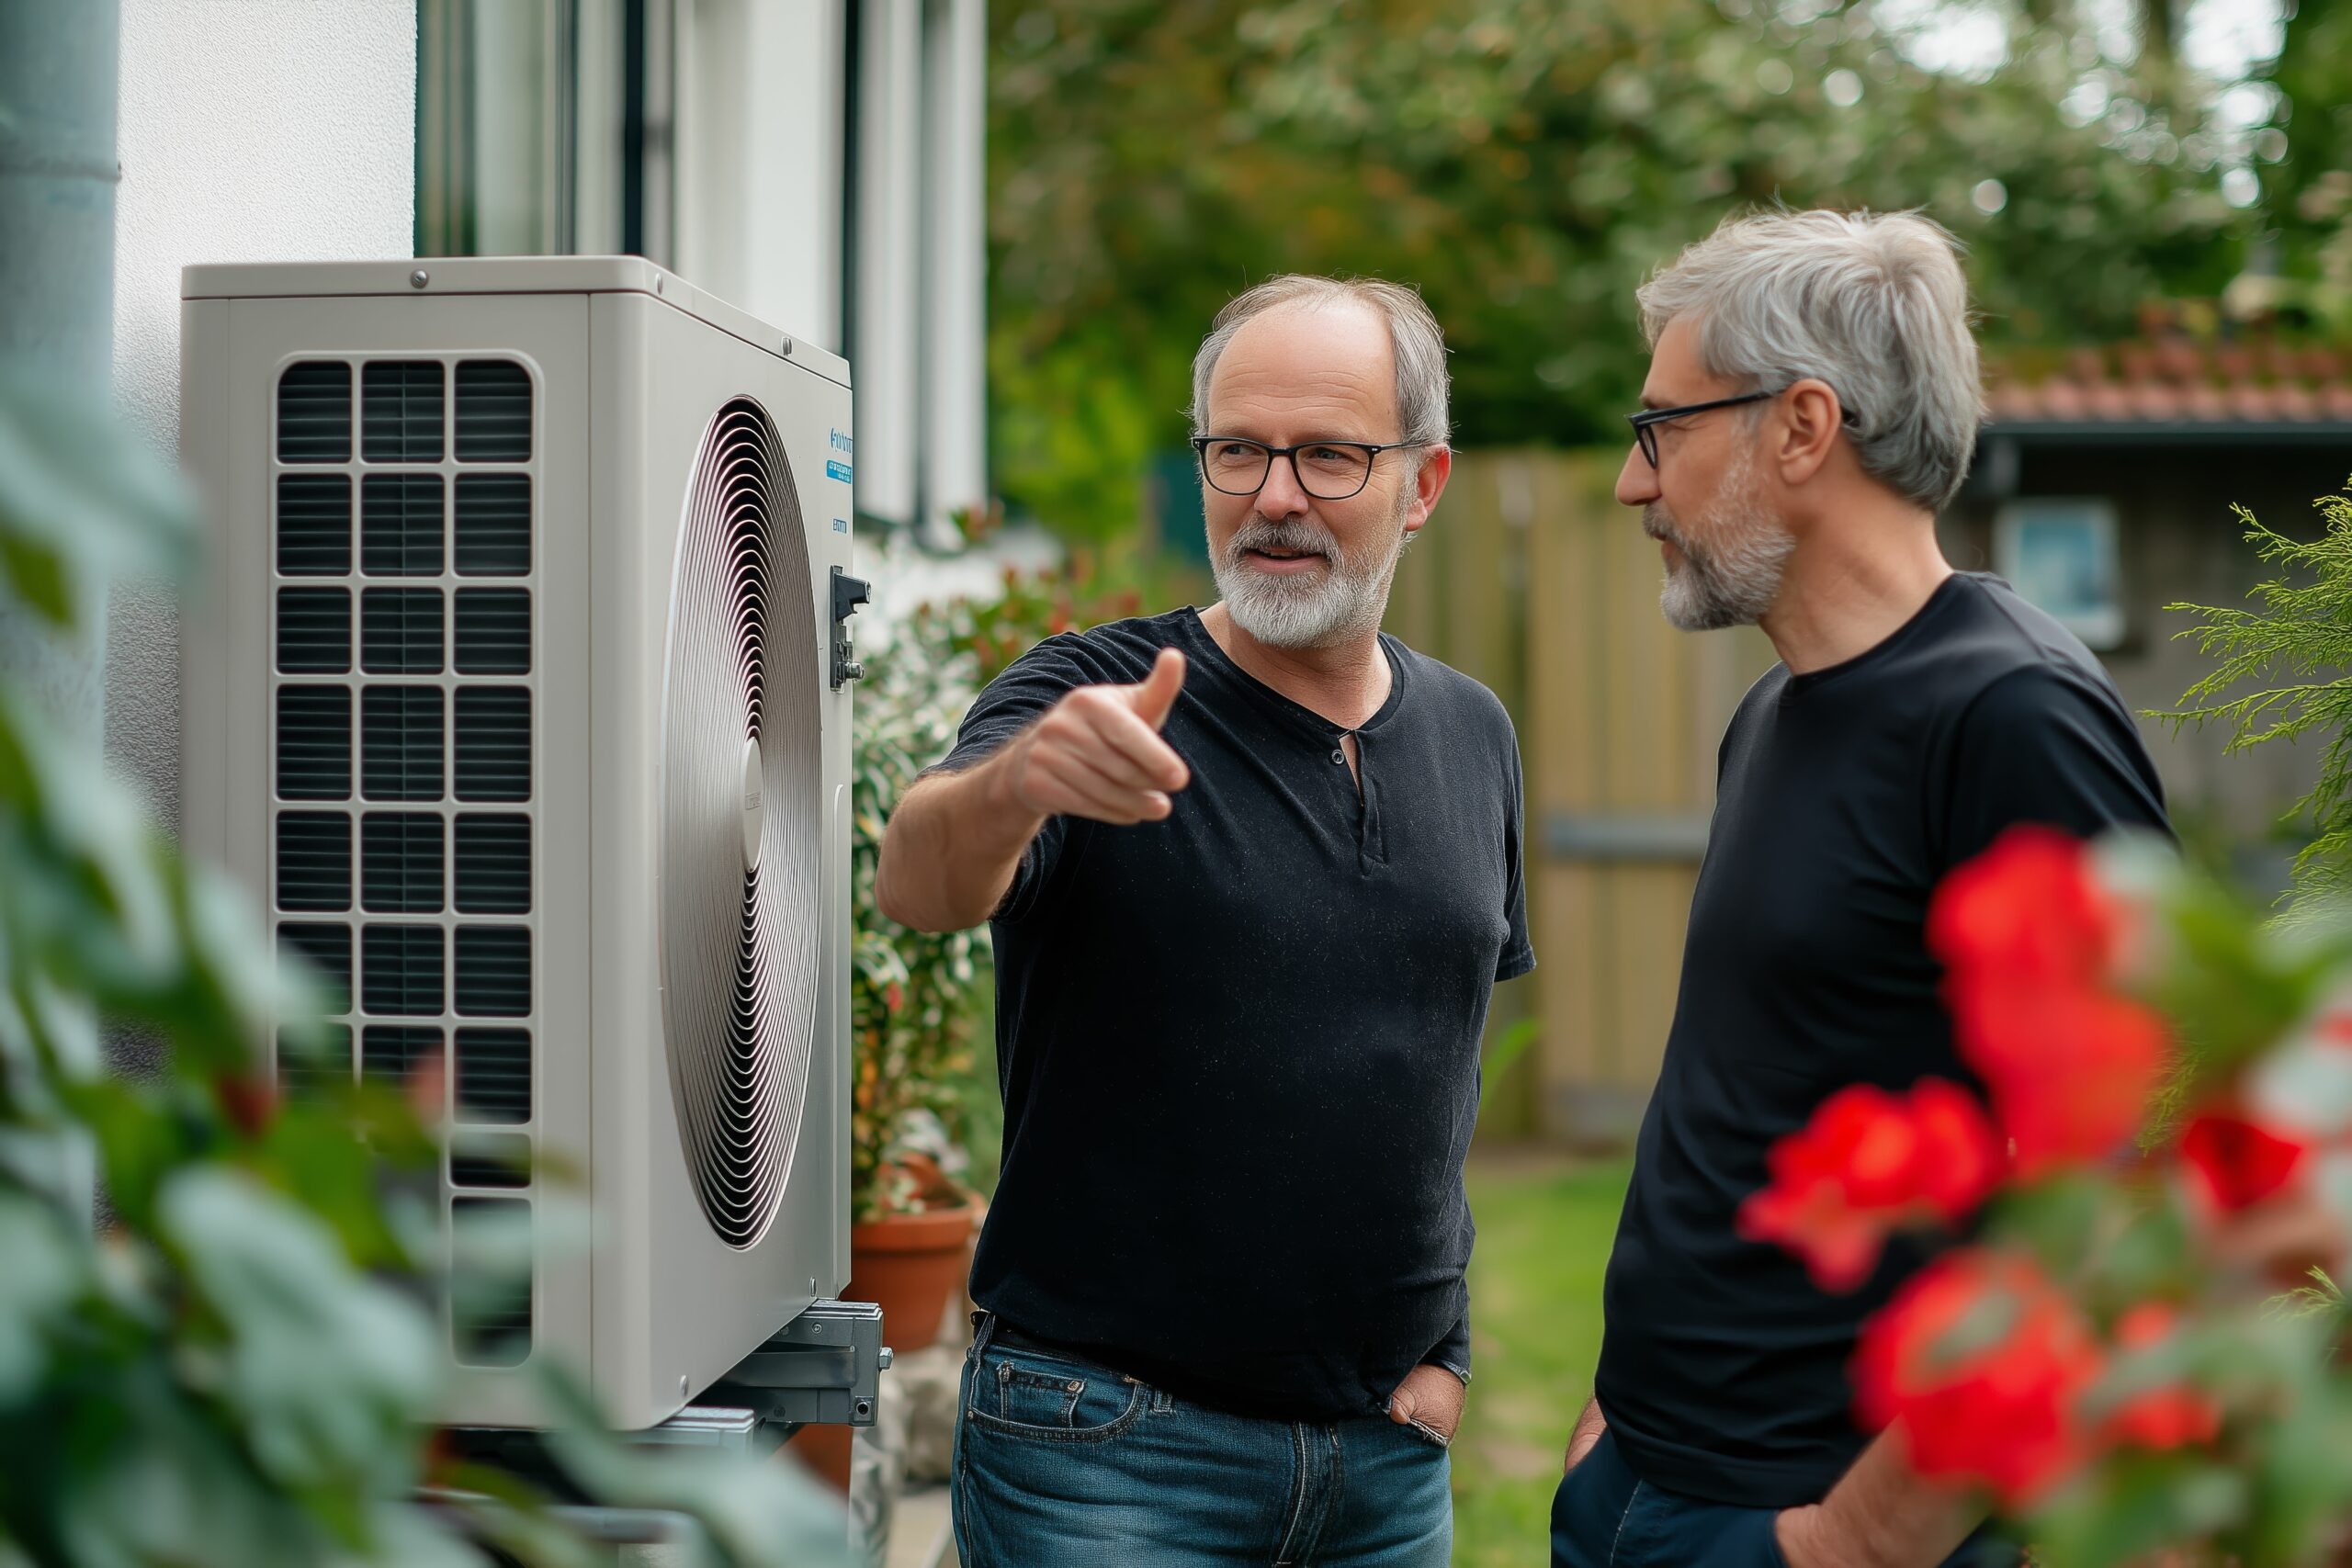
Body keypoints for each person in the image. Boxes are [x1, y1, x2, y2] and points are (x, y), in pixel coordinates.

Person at [876, 275, 1533, 1568]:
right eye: (1238, 449)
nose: (1274, 494)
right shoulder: (1090, 695)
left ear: (1425, 482)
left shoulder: (1472, 732)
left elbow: (1433, 1061)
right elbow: (921, 882)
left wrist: (1444, 1351)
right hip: (1109, 1457)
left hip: (1384, 1470)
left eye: (1330, 455)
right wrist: (1017, 784)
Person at [1552, 209, 2171, 1568]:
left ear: (1800, 426)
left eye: (1661, 428)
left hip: (1814, 1518)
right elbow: (1751, 1080)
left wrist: (1862, 1539)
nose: (1632, 483)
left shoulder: (2015, 717)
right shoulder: (1775, 709)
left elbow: (2121, 1194)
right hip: (1641, 1484)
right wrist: (1618, 1416)